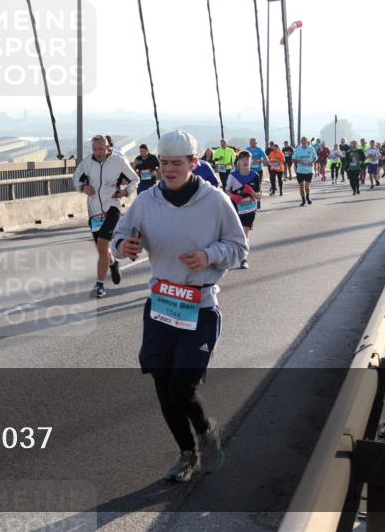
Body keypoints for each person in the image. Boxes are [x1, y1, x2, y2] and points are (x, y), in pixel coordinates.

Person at [113, 130, 248, 483]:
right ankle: (186, 453)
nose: (168, 170)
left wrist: (209, 255)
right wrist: (123, 247)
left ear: (194, 163)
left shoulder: (215, 201)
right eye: (164, 163)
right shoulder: (146, 200)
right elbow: (120, 235)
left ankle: (206, 431)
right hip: (161, 305)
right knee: (162, 384)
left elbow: (238, 247)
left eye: (176, 163)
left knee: (181, 387)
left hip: (199, 306)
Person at [73, 134, 139, 298]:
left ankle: (100, 285)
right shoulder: (87, 163)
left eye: (101, 149)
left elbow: (134, 179)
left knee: (103, 243)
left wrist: (125, 191)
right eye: (95, 149)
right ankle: (113, 263)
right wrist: (83, 187)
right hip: (94, 211)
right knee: (102, 249)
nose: (98, 152)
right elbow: (75, 179)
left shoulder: (118, 162)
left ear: (108, 148)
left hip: (112, 208)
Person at [226, 151, 261, 270]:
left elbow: (259, 195)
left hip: (249, 208)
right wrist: (233, 196)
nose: (245, 161)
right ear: (238, 162)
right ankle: (233, 254)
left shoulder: (255, 175)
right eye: (243, 159)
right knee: (236, 234)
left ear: (251, 161)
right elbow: (226, 191)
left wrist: (252, 192)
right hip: (235, 207)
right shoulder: (232, 176)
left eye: (248, 159)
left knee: (245, 233)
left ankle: (243, 259)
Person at [293, 137, 317, 206]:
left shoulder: (311, 148)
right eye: (302, 141)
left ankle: (307, 197)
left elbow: (315, 157)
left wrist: (312, 162)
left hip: (309, 171)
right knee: (301, 187)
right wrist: (298, 161)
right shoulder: (298, 149)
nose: (303, 142)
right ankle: (303, 200)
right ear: (300, 142)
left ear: (307, 141)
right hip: (300, 171)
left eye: (305, 141)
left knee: (307, 186)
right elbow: (293, 159)